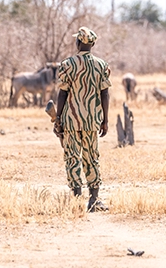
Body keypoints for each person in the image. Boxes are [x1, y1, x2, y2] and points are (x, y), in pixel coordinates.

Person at [54, 27, 111, 212]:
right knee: (91, 157)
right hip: (92, 120)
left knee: (72, 158)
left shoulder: (67, 64)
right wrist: (105, 120)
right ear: (92, 44)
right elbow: (105, 94)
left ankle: (77, 199)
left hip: (70, 120)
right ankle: (93, 201)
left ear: (78, 43)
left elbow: (62, 93)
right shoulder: (101, 65)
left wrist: (58, 119)